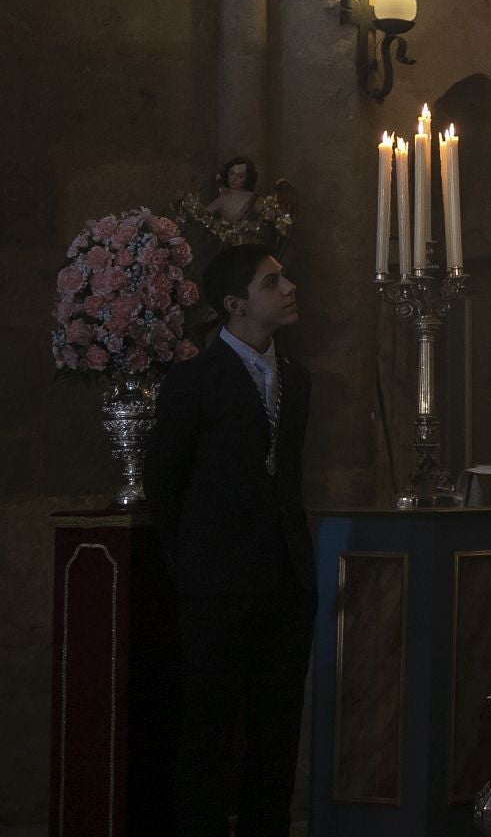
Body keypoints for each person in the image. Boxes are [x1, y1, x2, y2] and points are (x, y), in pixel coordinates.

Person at [146, 244, 311, 837]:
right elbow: (165, 482)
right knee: (209, 733)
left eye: (284, 277)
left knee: (276, 734)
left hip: (285, 584)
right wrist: (194, 566)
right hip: (216, 587)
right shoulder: (194, 380)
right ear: (236, 305)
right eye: (272, 282)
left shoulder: (297, 378)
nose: (289, 288)